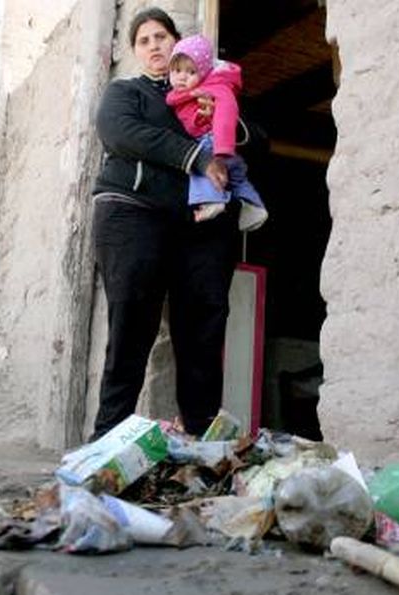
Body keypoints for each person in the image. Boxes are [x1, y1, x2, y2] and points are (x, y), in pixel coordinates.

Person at [90, 8, 239, 440]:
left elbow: (254, 138)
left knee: (203, 326)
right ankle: (108, 440)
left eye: (161, 36)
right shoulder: (126, 92)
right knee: (131, 325)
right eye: (144, 40)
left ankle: (201, 438)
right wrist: (197, 156)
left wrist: (227, 125)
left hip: (194, 225)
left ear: (177, 43)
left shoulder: (208, 90)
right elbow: (120, 133)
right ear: (136, 52)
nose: (154, 45)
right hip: (132, 213)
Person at [166, 34, 268, 231]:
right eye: (177, 70)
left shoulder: (215, 88)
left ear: (204, 73)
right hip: (227, 152)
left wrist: (222, 149)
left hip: (214, 144)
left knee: (199, 167)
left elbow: (226, 115)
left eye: (191, 72)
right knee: (238, 180)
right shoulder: (184, 94)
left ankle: (212, 200)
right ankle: (254, 206)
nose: (182, 77)